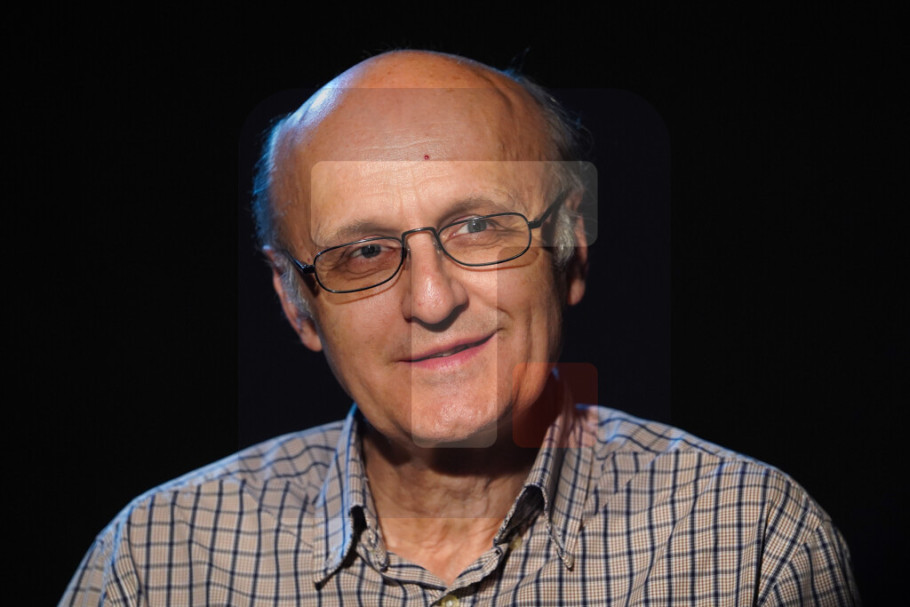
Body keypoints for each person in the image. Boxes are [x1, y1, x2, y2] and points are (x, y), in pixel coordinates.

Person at [61, 50, 860, 605]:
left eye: (478, 226)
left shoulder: (752, 545)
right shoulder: (154, 562)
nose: (432, 299)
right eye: (364, 251)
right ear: (296, 302)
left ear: (571, 246)